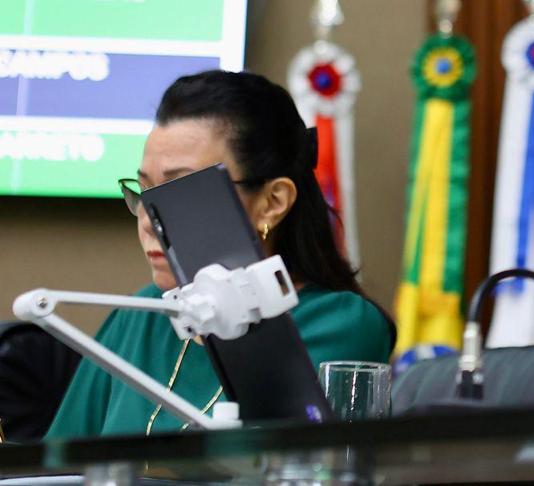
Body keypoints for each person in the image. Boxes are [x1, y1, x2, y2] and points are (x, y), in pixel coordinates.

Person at [46, 70, 393, 437]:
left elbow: (284, 462)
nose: (149, 221)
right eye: (144, 192)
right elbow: (52, 462)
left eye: (179, 191)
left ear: (272, 202)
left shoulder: (338, 323)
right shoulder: (140, 314)